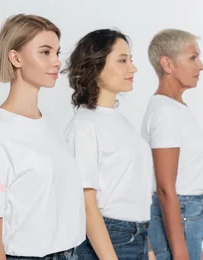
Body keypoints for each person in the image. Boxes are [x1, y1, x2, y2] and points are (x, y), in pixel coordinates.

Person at [0, 14, 85, 260]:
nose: (57, 62)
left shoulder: (50, 127)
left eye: (57, 52)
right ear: (16, 57)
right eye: (45, 52)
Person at [61, 29, 153, 259]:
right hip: (108, 239)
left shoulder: (121, 121)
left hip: (139, 234)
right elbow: (86, 206)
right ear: (95, 65)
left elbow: (136, 192)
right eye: (122, 60)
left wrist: (149, 250)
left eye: (130, 60)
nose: (133, 68)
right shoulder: (84, 126)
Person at [142, 28, 203, 260]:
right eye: (193, 58)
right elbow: (164, 187)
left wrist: (195, 248)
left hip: (186, 219)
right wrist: (181, 253)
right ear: (168, 64)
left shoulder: (174, 109)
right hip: (181, 214)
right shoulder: (165, 112)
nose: (200, 66)